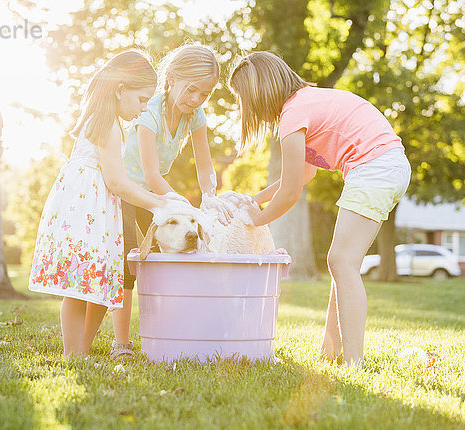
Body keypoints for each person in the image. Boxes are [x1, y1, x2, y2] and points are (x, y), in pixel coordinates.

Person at [229, 51, 411, 365]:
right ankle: (331, 353)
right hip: (388, 165)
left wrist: (256, 220)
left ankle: (354, 362)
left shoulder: (292, 116)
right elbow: (302, 175)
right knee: (343, 262)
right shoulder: (306, 102)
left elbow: (289, 193)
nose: (245, 107)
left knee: (341, 261)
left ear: (258, 94)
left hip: (375, 168)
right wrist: (253, 200)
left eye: (243, 99)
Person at [28, 50, 173, 358]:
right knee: (80, 287)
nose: (145, 108)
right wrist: (159, 203)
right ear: (120, 89)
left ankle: (80, 352)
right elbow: (117, 182)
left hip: (96, 210)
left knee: (99, 286)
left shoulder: (107, 122)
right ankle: (73, 355)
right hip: (85, 212)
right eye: (142, 99)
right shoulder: (106, 124)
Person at [111, 44, 235, 359]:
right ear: (172, 78)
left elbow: (205, 166)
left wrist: (209, 195)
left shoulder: (196, 115)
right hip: (127, 192)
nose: (195, 99)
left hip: (155, 197)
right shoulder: (149, 113)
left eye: (204, 94)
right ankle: (121, 344)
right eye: (191, 89)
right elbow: (152, 175)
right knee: (130, 264)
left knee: (172, 260)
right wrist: (180, 204)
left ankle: (174, 329)